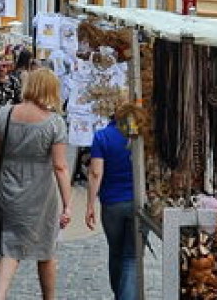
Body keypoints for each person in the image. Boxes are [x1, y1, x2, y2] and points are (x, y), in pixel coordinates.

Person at [0, 67, 71, 300]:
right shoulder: (55, 123)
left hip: (9, 186)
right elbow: (60, 167)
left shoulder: (4, 113)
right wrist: (68, 204)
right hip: (42, 193)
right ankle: (49, 298)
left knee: (9, 248)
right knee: (46, 249)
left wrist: (2, 172)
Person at [85, 115, 137, 300]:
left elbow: (96, 172)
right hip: (138, 201)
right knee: (131, 257)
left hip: (112, 203)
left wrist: (90, 204)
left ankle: (120, 294)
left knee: (116, 252)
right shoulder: (140, 135)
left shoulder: (102, 136)